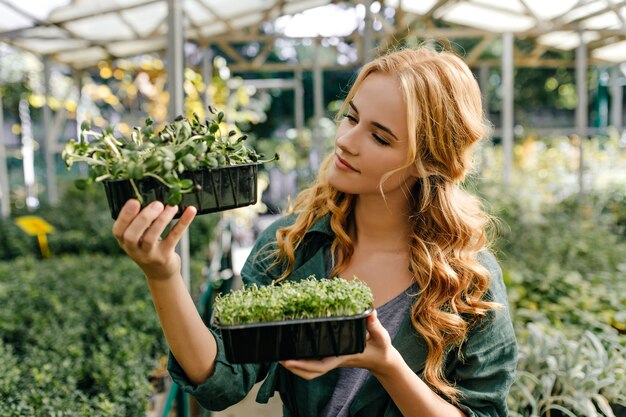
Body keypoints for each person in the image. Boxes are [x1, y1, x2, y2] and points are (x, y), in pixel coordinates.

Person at [112, 46, 518, 417]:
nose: (346, 141)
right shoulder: (292, 245)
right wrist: (162, 274)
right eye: (351, 117)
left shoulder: (468, 280)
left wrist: (387, 364)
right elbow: (222, 382)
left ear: (429, 162)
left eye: (379, 137)